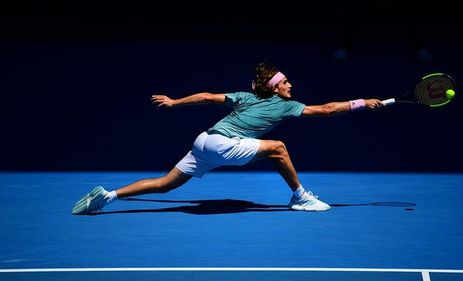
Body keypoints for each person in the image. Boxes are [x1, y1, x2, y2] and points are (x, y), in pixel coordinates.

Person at [71, 61, 384, 215]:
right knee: (278, 148)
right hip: (223, 145)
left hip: (203, 141)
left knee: (167, 183)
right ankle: (300, 198)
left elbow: (207, 96)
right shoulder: (287, 104)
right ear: (276, 88)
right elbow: (328, 110)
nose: (291, 84)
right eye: (286, 81)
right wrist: (360, 103)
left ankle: (106, 197)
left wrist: (174, 101)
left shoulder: (244, 97)